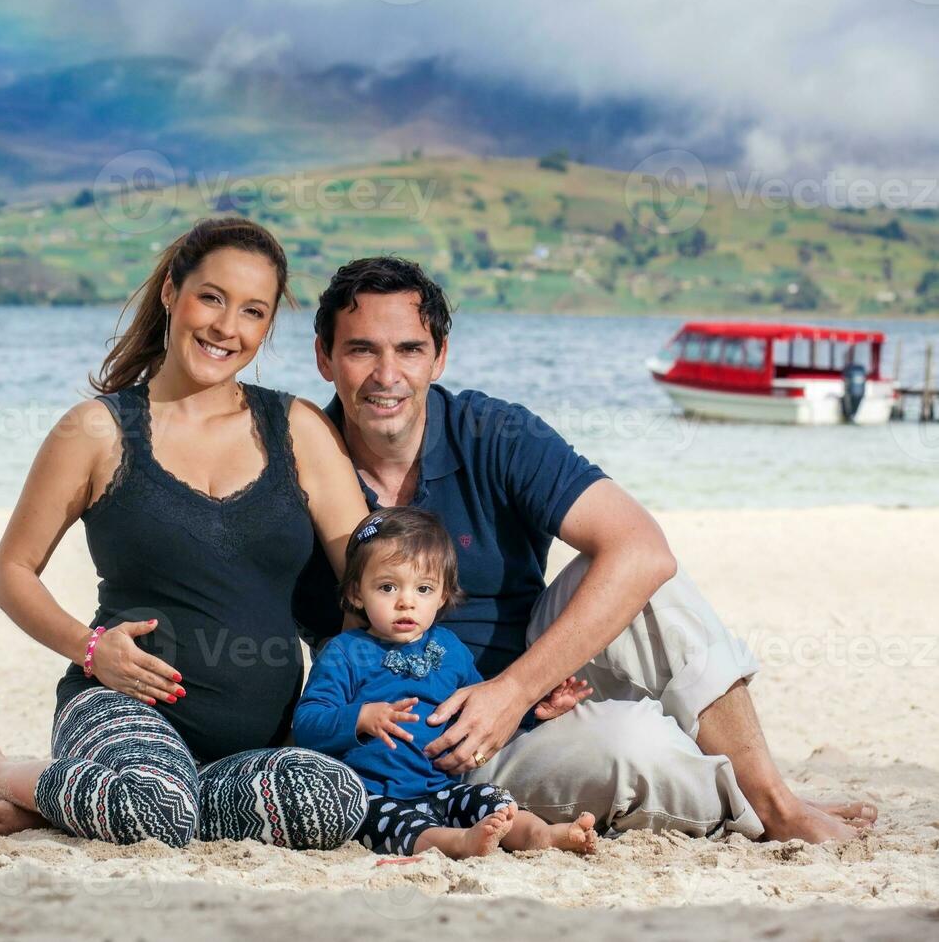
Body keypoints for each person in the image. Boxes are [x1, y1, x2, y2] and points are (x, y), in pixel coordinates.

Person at [291, 256, 878, 843]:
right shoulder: (300, 461)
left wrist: (514, 690)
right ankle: (752, 795)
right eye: (362, 349)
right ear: (324, 357)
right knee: (636, 748)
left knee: (644, 567)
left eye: (410, 350)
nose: (386, 374)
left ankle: (774, 801)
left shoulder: (495, 432)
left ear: (440, 355)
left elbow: (644, 551)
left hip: (525, 698)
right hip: (417, 765)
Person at [0, 217, 371, 848]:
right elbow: (10, 573)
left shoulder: (297, 428)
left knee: (335, 800)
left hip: (253, 740)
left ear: (267, 327)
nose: (227, 327)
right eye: (211, 297)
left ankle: (81, 802)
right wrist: (90, 649)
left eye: (252, 311)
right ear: (171, 292)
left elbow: (371, 577)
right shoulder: (96, 431)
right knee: (156, 810)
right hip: (121, 710)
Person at [295, 506, 598, 858]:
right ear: (357, 594)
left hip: (442, 789)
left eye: (423, 588)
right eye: (388, 587)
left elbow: (480, 714)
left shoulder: (450, 650)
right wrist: (360, 718)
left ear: (442, 596)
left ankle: (540, 834)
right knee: (391, 824)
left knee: (492, 800)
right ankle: (459, 843)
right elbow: (307, 723)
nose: (406, 601)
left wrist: (536, 710)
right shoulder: (346, 652)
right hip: (373, 794)